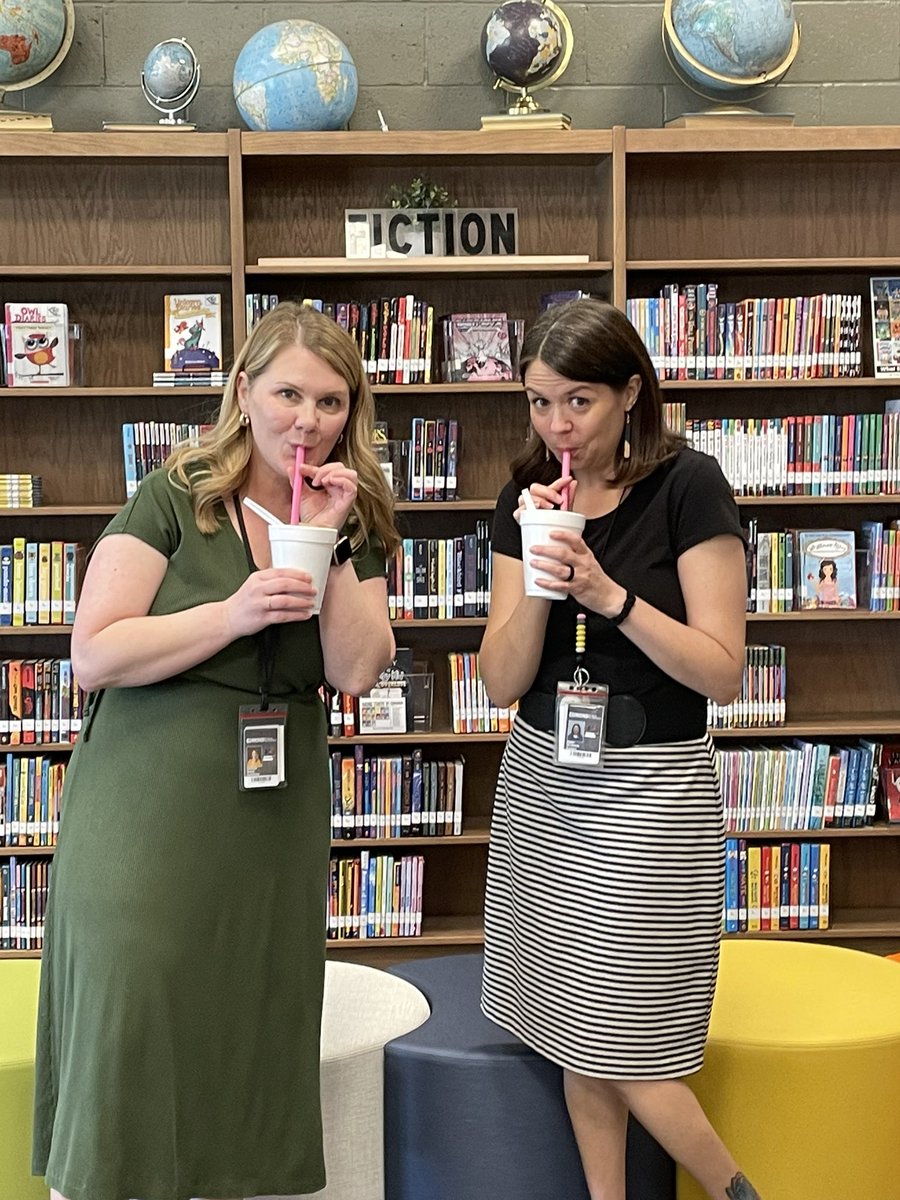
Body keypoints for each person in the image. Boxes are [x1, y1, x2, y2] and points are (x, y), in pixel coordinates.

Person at [32, 302, 399, 1200]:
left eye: (329, 401)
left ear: (351, 411)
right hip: (151, 793)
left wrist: (335, 540)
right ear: (243, 392)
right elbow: (94, 651)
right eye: (285, 395)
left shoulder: (354, 512)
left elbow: (356, 670)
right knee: (137, 996)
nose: (304, 421)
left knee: (246, 1015)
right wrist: (229, 615)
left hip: (271, 805)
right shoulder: (176, 492)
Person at [479, 299, 758, 1200]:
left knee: (624, 1037)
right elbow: (499, 679)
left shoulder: (689, 485)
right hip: (544, 778)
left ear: (631, 392)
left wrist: (609, 598)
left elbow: (722, 672)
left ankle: (737, 1191)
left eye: (580, 403)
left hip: (652, 789)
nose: (557, 426)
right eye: (538, 402)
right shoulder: (527, 495)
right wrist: (540, 576)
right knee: (572, 1022)